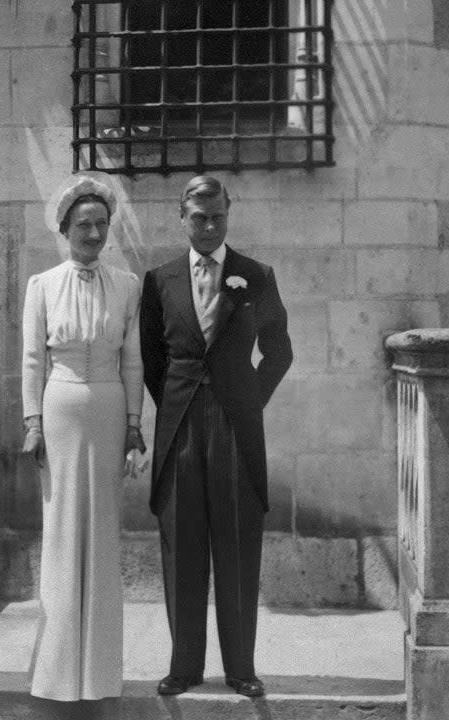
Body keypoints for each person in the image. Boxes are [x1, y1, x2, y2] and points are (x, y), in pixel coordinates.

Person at [139, 175, 293, 699]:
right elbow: (153, 361)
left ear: (229, 213)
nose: (208, 227)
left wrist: (248, 401)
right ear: (181, 217)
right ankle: (184, 667)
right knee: (181, 542)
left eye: (217, 217)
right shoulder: (158, 281)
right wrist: (177, 405)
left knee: (235, 541)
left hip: (234, 427)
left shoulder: (256, 276)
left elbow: (279, 351)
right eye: (198, 217)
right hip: (179, 424)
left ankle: (241, 668)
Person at [20, 175, 148, 702]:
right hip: (61, 409)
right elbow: (31, 359)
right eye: (83, 224)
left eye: (101, 224)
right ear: (65, 228)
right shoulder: (42, 285)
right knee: (62, 530)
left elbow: (133, 358)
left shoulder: (127, 285)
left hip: (111, 409)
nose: (93, 233)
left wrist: (136, 425)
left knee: (101, 531)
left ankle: (97, 674)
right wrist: (31, 423)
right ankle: (56, 673)